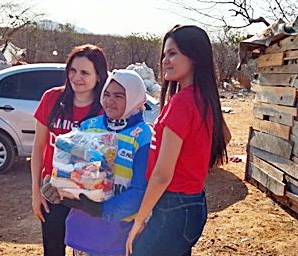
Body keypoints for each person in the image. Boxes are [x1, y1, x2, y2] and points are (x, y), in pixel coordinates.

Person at [125, 25, 228, 256]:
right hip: (194, 203)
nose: (165, 61)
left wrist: (139, 220)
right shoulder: (205, 98)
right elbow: (224, 136)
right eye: (164, 55)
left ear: (194, 57)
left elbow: (163, 175)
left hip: (172, 207)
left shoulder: (181, 103)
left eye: (173, 53)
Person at [42, 69, 152, 256]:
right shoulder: (88, 126)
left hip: (119, 232)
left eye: (119, 96)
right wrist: (56, 190)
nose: (110, 101)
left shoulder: (143, 136)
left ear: (135, 99)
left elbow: (140, 191)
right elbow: (69, 170)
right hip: (84, 230)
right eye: (107, 94)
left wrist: (102, 209)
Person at [31, 44, 108, 256]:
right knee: (53, 249)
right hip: (53, 191)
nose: (77, 77)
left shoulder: (105, 108)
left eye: (85, 73)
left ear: (98, 76)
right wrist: (36, 192)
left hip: (88, 194)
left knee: (85, 251)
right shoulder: (52, 99)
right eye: (73, 71)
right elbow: (38, 147)